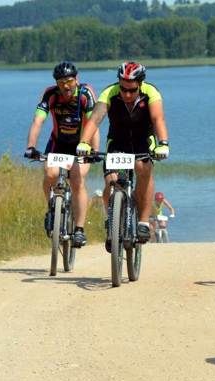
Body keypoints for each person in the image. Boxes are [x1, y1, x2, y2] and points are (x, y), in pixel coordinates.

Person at [76, 61, 170, 248]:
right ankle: (113, 222)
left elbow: (158, 118)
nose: (127, 94)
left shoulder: (151, 92)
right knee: (111, 181)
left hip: (143, 140)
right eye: (123, 89)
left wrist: (164, 144)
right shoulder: (109, 93)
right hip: (118, 142)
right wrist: (84, 142)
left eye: (132, 90)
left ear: (140, 85)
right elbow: (95, 119)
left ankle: (143, 221)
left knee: (144, 168)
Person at [24, 61, 100, 248]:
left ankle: (79, 229)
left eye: (69, 81)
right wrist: (31, 147)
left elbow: (93, 124)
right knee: (50, 174)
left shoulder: (85, 93)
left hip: (81, 144)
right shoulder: (50, 95)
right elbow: (38, 120)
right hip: (58, 143)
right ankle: (52, 210)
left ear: (76, 79)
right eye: (61, 82)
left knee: (76, 180)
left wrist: (93, 150)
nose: (65, 86)